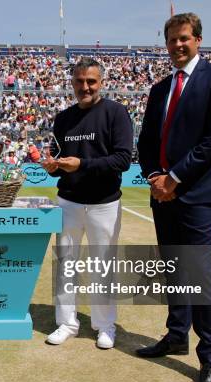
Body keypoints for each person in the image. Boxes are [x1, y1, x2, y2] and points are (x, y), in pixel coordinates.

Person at [136, 13, 211, 382]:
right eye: (172, 41)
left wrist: (175, 179)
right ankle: (176, 335)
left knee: (199, 272)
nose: (177, 46)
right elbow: (146, 141)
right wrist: (155, 178)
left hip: (196, 194)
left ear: (198, 40)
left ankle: (209, 358)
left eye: (184, 39)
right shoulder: (160, 88)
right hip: (162, 192)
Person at [42, 57, 133, 349]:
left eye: (91, 81)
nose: (85, 87)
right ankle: (66, 323)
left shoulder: (116, 113)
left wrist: (80, 164)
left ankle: (105, 326)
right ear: (72, 83)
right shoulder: (63, 118)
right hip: (68, 200)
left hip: (104, 203)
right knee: (65, 265)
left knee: (102, 266)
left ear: (101, 82)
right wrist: (53, 165)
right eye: (80, 81)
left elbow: (123, 160)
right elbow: (60, 157)